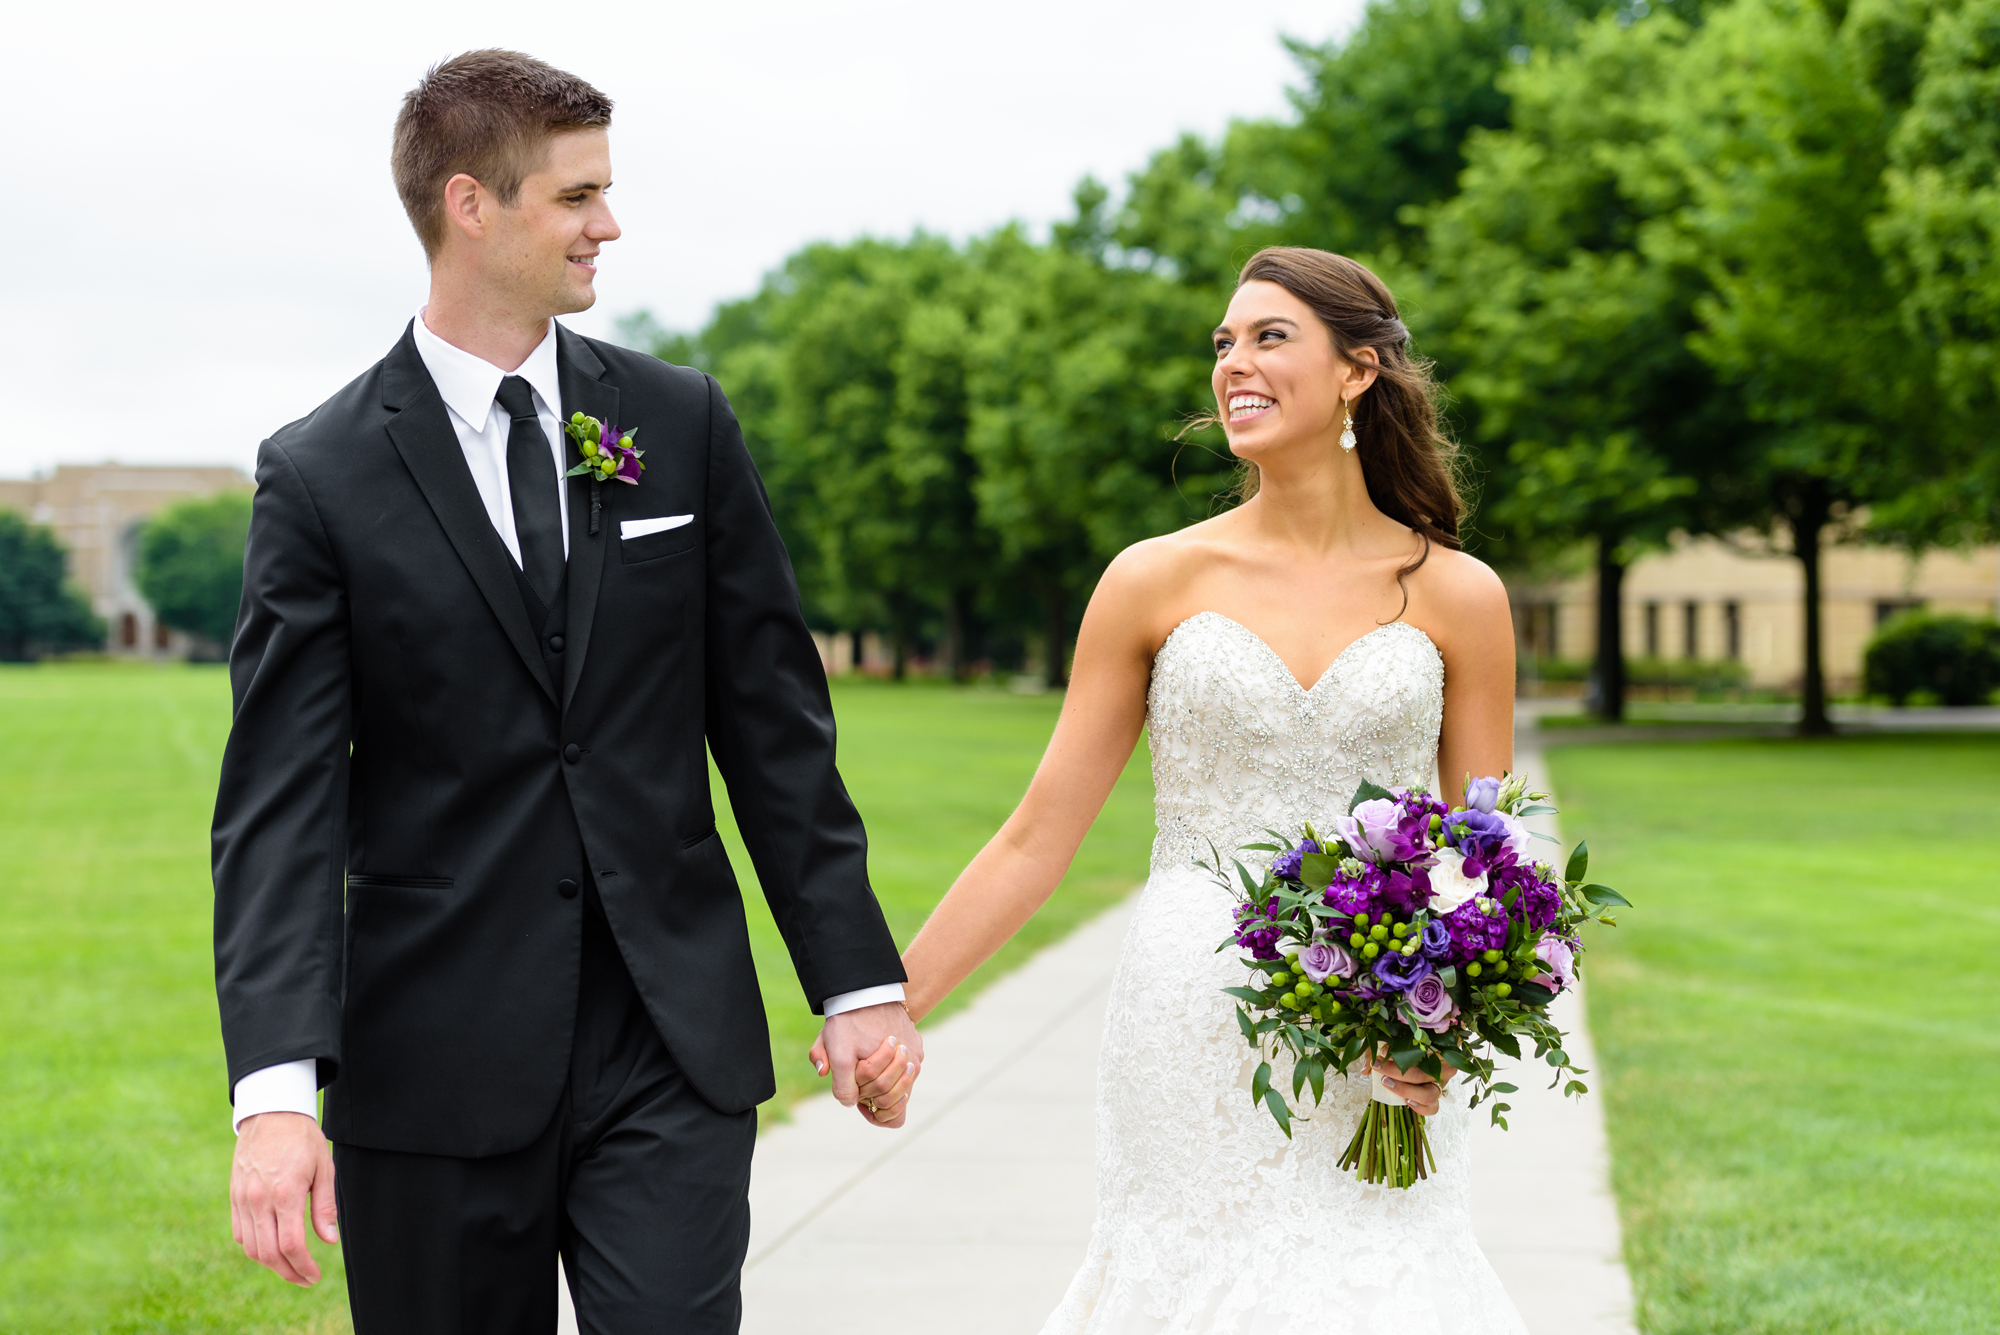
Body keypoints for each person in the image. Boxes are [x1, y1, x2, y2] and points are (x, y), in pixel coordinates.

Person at [212, 50, 919, 1335]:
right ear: (471, 205)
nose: (609, 224)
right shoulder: (318, 478)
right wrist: (272, 1090)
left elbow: (771, 724)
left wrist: (855, 984)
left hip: (669, 1038)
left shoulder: (679, 421)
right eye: (577, 196)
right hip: (433, 1054)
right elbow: (279, 802)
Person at [893, 247, 1531, 1331]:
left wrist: (1438, 1032)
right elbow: (1034, 839)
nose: (1232, 361)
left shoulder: (1457, 594)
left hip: (1374, 1032)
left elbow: (1486, 865)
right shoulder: (1152, 579)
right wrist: (890, 1009)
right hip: (1185, 1017)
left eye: (1268, 336)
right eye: (1222, 343)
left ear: (1357, 370)